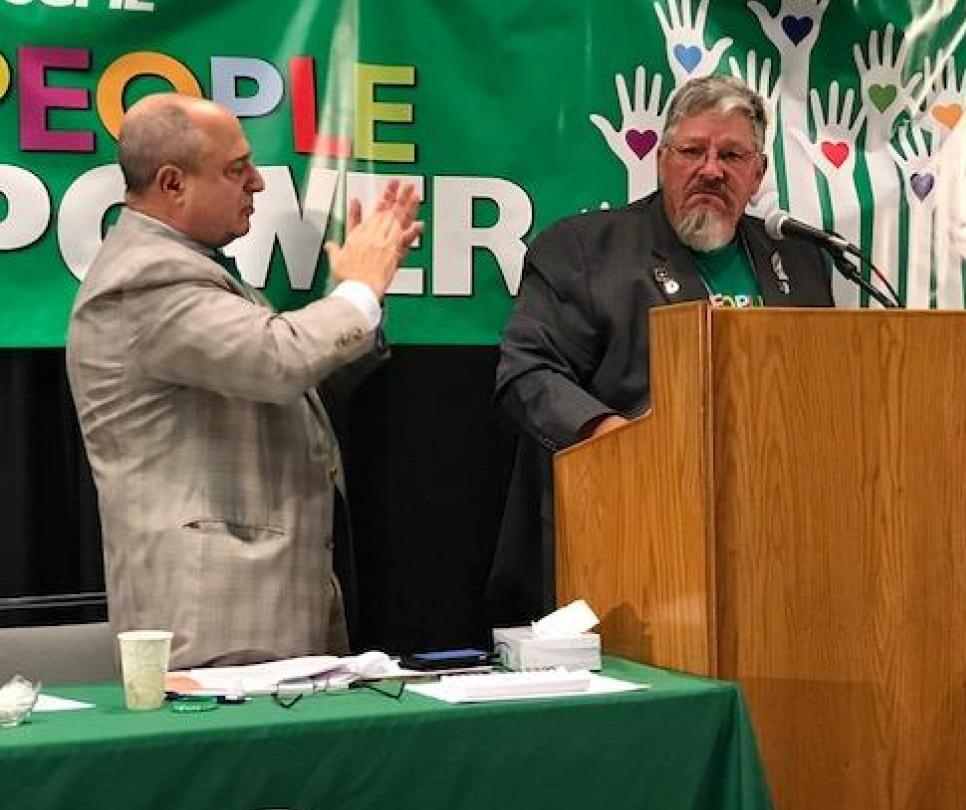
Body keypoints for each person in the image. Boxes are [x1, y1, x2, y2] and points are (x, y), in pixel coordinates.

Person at [66, 93, 422, 668]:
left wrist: (366, 303)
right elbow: (277, 360)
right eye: (236, 169)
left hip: (267, 607)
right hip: (213, 620)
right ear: (172, 183)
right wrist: (358, 291)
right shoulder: (147, 277)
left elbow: (292, 391)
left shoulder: (201, 270)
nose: (257, 182)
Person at [489, 76, 833, 625]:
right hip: (630, 538)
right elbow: (526, 372)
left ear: (758, 174)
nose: (711, 169)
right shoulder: (584, 250)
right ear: (661, 158)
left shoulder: (801, 260)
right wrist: (613, 440)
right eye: (692, 151)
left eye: (732, 154)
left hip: (774, 544)